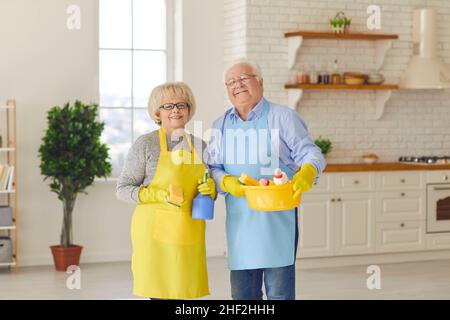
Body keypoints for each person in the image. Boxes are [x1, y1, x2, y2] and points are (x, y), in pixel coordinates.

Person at [208, 59, 326, 300]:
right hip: (241, 220)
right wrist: (226, 182)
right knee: (243, 296)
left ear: (260, 82)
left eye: (243, 78)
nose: (237, 85)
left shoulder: (283, 117)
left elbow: (310, 152)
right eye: (231, 82)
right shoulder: (219, 125)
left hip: (277, 220)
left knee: (280, 294)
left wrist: (307, 172)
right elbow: (213, 167)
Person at [116, 82, 216, 299]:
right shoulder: (146, 144)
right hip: (154, 235)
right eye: (168, 105)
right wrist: (153, 194)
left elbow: (208, 184)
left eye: (182, 104)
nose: (176, 110)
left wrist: (212, 190)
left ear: (189, 110)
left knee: (185, 293)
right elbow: (123, 188)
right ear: (157, 112)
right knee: (160, 293)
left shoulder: (201, 146)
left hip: (189, 229)